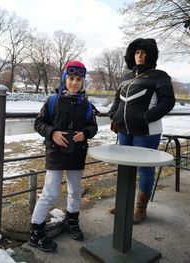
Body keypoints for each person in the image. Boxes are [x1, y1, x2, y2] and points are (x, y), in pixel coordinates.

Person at [28, 60, 98, 252]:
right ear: (64, 79)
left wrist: (86, 133)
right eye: (71, 78)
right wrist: (52, 133)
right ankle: (35, 232)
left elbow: (93, 127)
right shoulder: (52, 101)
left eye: (78, 79)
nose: (74, 83)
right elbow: (39, 123)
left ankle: (72, 221)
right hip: (55, 153)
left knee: (75, 191)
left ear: (83, 81)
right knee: (50, 192)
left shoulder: (87, 104)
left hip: (77, 153)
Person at [107, 38, 175, 224]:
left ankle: (140, 208)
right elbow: (117, 100)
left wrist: (145, 117)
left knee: (144, 170)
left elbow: (167, 102)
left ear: (150, 55)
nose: (140, 56)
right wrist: (114, 115)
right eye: (137, 52)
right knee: (125, 168)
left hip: (147, 132)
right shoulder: (126, 78)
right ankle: (123, 204)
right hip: (124, 131)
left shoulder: (160, 75)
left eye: (144, 52)